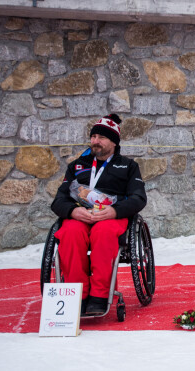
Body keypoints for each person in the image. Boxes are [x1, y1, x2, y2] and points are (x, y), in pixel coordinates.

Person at [51, 114, 147, 315]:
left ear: (113, 142)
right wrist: (72, 211)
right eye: (93, 136)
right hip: (80, 215)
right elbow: (58, 201)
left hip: (111, 217)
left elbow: (138, 198)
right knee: (69, 233)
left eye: (101, 137)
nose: (95, 141)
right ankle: (77, 293)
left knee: (103, 233)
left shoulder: (129, 166)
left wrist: (114, 211)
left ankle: (100, 295)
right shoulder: (76, 166)